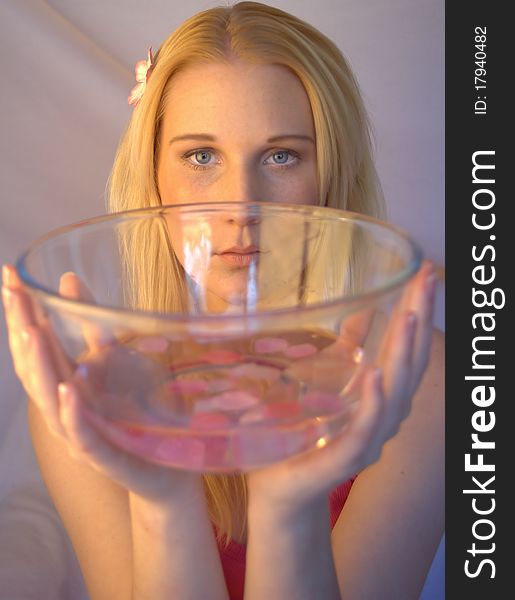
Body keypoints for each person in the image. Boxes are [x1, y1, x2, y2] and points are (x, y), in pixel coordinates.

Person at [1, 2, 444, 599]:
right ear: (154, 174)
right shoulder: (94, 396)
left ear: (331, 176)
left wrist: (289, 502)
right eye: (201, 156)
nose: (240, 204)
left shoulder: (421, 380)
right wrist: (164, 495)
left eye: (282, 155)